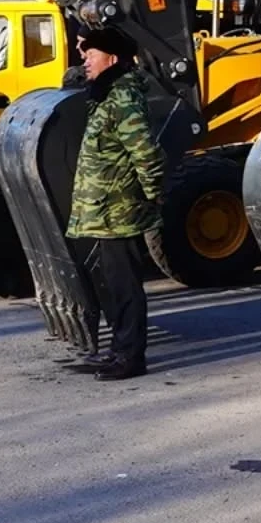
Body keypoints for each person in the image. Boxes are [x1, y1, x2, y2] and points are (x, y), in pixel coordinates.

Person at [62, 28, 165, 382]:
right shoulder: (107, 94)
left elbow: (146, 153)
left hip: (120, 209)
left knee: (125, 286)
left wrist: (152, 195)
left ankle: (130, 356)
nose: (85, 61)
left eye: (91, 54)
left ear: (113, 58)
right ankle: (118, 349)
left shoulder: (123, 98)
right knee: (114, 283)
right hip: (106, 210)